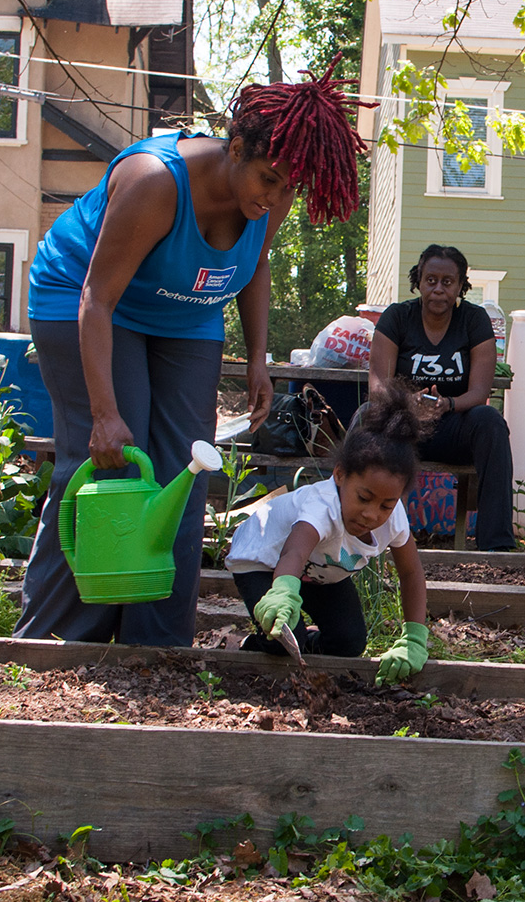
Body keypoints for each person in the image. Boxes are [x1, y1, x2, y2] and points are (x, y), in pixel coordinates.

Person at [18, 73, 368, 646]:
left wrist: (259, 357)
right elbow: (96, 298)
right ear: (236, 148)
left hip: (185, 310)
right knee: (112, 463)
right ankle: (57, 639)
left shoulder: (268, 195)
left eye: (289, 189)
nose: (275, 197)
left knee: (188, 468)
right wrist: (104, 413)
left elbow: (255, 264)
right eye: (268, 180)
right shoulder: (157, 182)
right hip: (86, 300)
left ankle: (156, 643)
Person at [226, 388, 433, 684]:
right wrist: (283, 593)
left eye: (386, 505)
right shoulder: (321, 506)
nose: (372, 514)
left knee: (349, 643)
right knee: (281, 634)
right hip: (265, 561)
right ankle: (251, 644)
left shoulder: (394, 518)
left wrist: (414, 637)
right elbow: (293, 553)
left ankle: (304, 640)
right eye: (363, 498)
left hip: (321, 572)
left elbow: (411, 573)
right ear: (339, 475)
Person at [368, 244, 515, 550]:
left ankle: (496, 545)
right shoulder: (397, 318)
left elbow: (479, 392)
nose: (438, 289)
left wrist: (447, 404)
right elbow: (379, 387)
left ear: (461, 286)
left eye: (448, 282)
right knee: (371, 418)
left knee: (490, 422)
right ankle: (370, 538)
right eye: (430, 280)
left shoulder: (474, 321)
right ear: (418, 281)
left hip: (453, 426)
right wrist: (408, 403)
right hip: (404, 426)